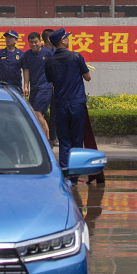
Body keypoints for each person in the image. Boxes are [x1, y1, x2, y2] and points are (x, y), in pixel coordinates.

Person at [44, 28, 91, 177]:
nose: (69, 39)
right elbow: (88, 77)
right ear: (62, 41)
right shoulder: (76, 57)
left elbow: (51, 80)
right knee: (77, 139)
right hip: (76, 104)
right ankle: (75, 174)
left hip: (60, 104)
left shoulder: (49, 61)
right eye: (67, 38)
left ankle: (65, 172)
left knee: (64, 140)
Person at [21, 32, 53, 137]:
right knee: (37, 115)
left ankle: (47, 139)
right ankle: (41, 137)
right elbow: (26, 71)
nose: (33, 44)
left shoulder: (48, 54)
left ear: (40, 42)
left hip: (45, 87)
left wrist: (54, 84)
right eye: (31, 42)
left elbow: (54, 69)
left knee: (37, 113)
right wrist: (25, 86)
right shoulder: (27, 55)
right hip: (34, 88)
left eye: (36, 42)